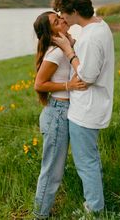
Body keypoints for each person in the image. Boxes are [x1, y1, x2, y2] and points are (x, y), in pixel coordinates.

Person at [52, 0, 115, 218]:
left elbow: (86, 77)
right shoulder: (100, 26)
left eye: (63, 13)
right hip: (94, 106)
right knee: (91, 158)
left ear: (74, 10)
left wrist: (69, 51)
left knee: (85, 162)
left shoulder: (90, 38)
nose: (62, 18)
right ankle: (96, 200)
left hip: (85, 110)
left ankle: (94, 208)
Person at [33, 11, 87, 219]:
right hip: (57, 113)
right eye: (57, 21)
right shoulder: (55, 52)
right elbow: (39, 84)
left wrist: (71, 43)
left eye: (60, 17)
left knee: (54, 169)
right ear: (52, 32)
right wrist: (68, 85)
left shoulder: (64, 47)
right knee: (52, 172)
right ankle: (40, 215)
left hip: (62, 112)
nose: (63, 20)